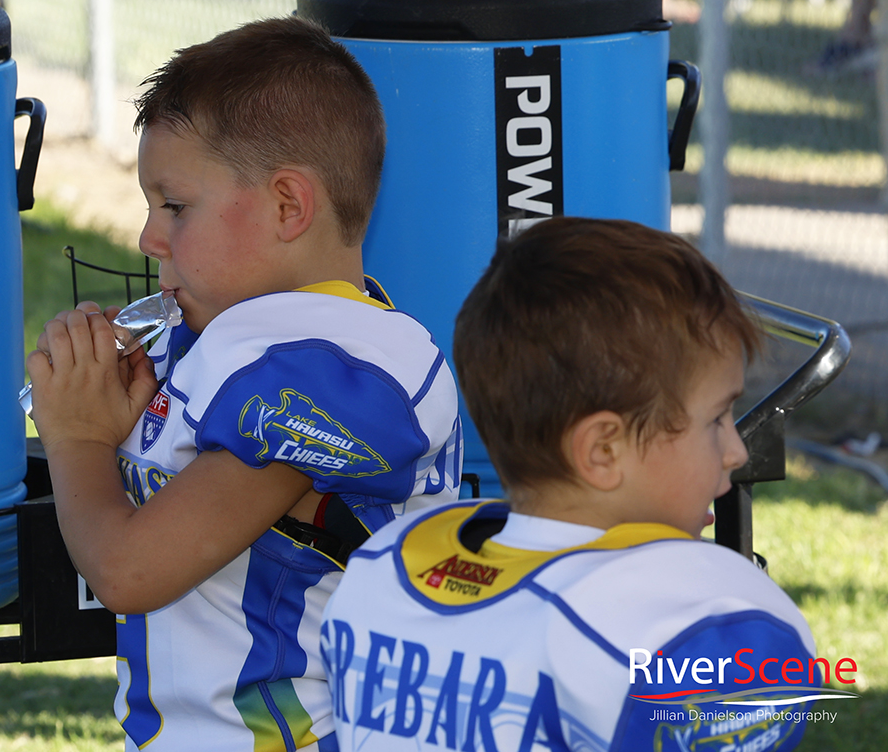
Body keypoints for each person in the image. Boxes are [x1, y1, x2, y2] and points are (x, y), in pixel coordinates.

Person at [26, 16, 463, 752]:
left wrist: (77, 439)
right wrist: (124, 416)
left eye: (175, 205)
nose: (147, 238)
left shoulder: (335, 369)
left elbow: (130, 571)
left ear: (289, 206)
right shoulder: (232, 337)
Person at [320, 218, 822, 752]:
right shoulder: (684, 624)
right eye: (716, 418)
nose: (737, 450)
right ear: (603, 450)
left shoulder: (382, 570)